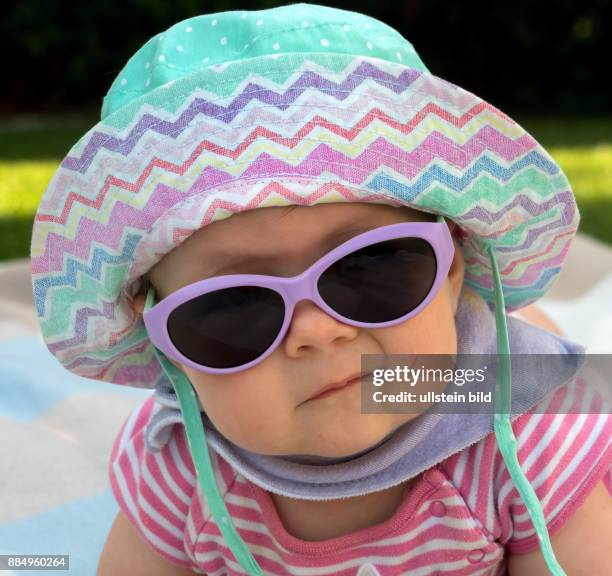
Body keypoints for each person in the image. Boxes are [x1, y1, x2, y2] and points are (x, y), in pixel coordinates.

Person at [30, 4, 611, 575]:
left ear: (453, 263)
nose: (316, 329)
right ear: (163, 340)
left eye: (371, 267)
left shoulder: (524, 434)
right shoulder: (182, 468)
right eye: (233, 306)